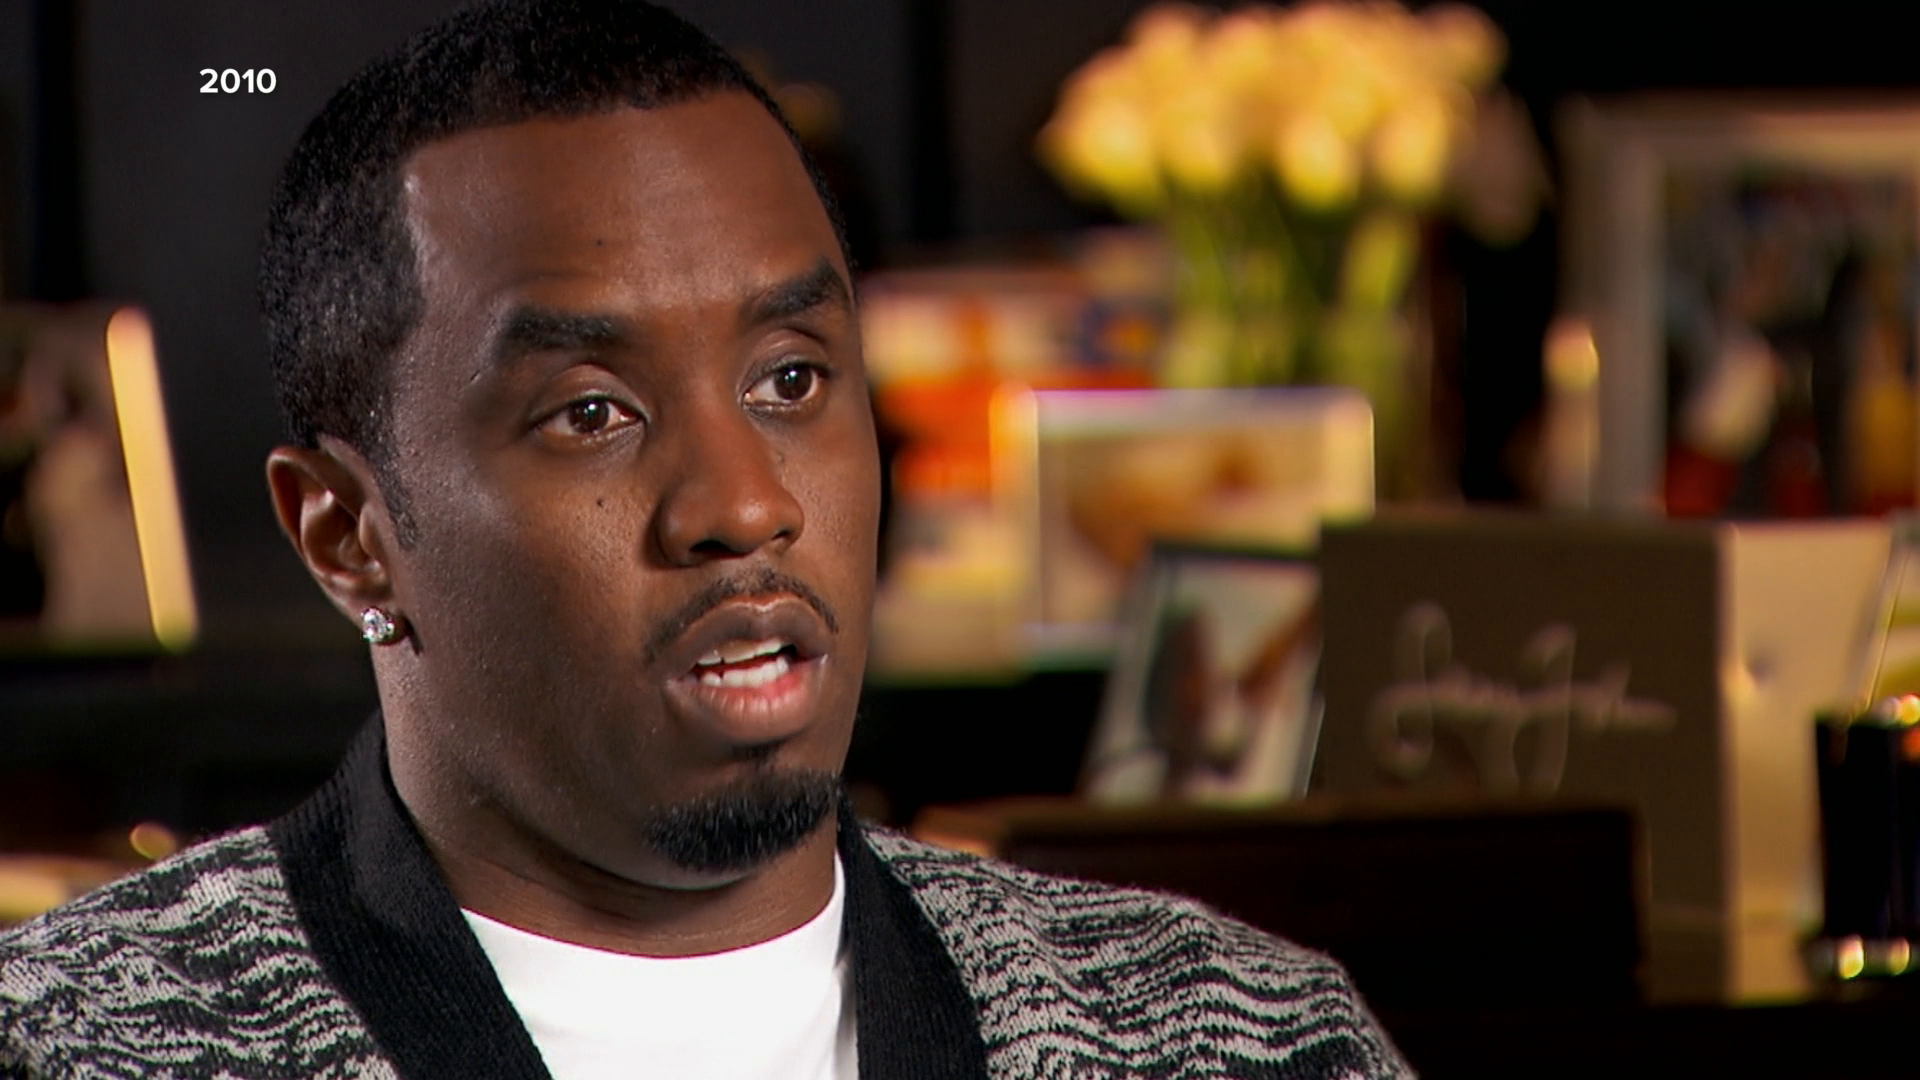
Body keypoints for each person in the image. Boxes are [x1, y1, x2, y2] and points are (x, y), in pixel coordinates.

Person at [0, 3, 1412, 1077]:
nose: (742, 506)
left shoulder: (1233, 1038)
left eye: (790, 381)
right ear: (349, 536)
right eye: (591, 413)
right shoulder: (80, 1044)